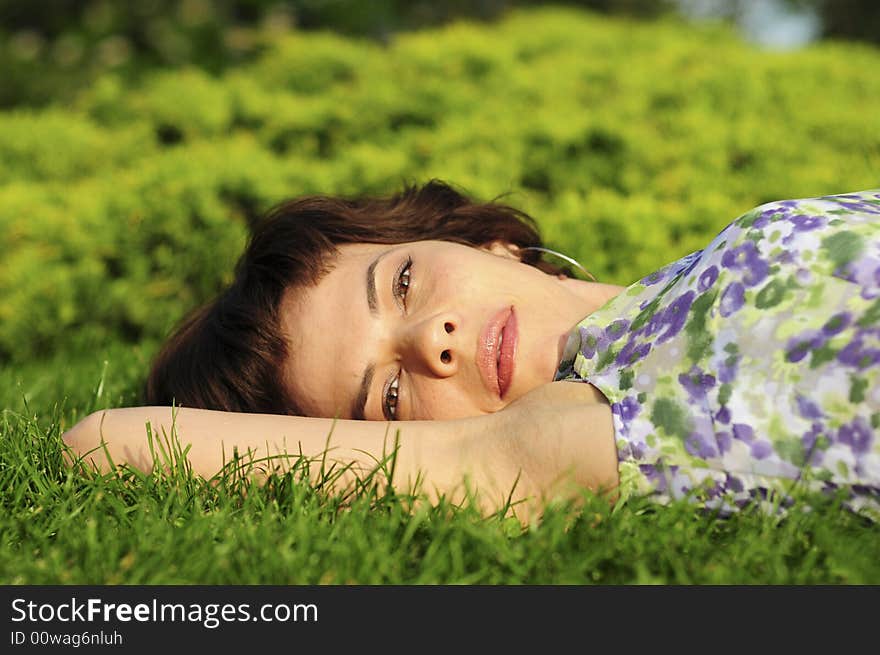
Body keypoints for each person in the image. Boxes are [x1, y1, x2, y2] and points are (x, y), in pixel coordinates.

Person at [63, 180, 880, 521]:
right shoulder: (574, 434)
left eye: (406, 283)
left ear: (491, 242)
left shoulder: (705, 260)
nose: (431, 341)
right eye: (386, 395)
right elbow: (105, 442)